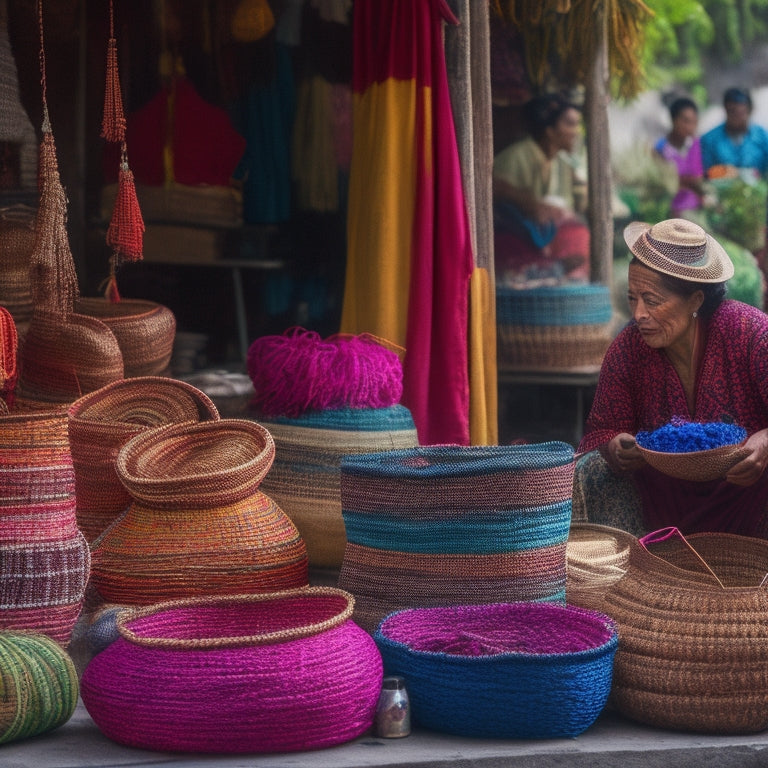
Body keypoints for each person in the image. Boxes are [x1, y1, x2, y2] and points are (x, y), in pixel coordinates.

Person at [576, 217, 768, 538]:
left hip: (748, 493)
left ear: (695, 300)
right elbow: (600, 432)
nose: (638, 314)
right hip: (662, 502)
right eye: (632, 298)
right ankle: (637, 567)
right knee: (594, 473)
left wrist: (765, 441)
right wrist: (616, 447)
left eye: (652, 301)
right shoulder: (629, 349)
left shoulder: (748, 332)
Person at [493, 93, 589, 285]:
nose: (576, 131)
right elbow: (497, 199)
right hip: (515, 236)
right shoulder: (515, 157)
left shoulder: (562, 163)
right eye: (570, 124)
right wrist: (529, 204)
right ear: (549, 130)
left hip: (545, 237)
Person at [653, 96, 706, 217]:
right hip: (668, 212)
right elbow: (661, 183)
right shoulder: (660, 148)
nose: (690, 127)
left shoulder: (696, 145)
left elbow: (700, 177)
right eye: (686, 121)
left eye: (694, 122)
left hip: (695, 211)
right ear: (673, 120)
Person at [700, 87, 768, 180]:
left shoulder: (762, 137)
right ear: (726, 110)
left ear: (749, 110)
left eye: (741, 113)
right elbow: (704, 173)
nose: (736, 118)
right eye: (732, 112)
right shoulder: (710, 140)